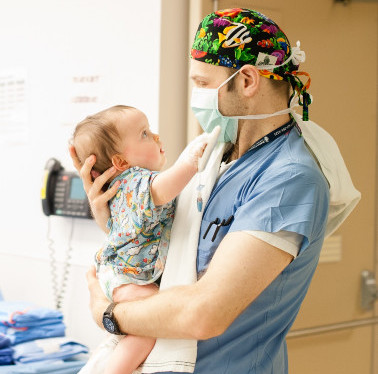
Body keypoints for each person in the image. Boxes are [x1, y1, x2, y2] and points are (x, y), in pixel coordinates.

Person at [70, 8, 336, 374]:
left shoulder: (287, 180)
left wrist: (109, 313)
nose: (196, 96)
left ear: (246, 81)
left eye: (203, 83)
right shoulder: (217, 153)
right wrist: (116, 217)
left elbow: (204, 314)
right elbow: (172, 250)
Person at [71, 105, 209, 374]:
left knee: (143, 324)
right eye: (144, 134)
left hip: (122, 272)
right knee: (148, 327)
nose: (156, 136)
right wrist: (191, 162)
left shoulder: (120, 187)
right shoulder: (134, 181)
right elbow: (163, 189)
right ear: (121, 163)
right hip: (127, 276)